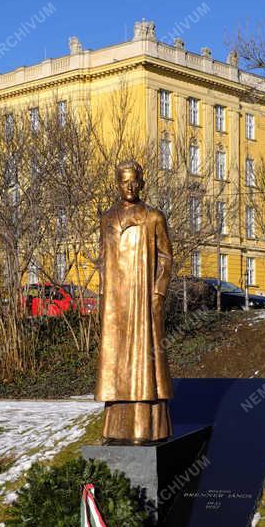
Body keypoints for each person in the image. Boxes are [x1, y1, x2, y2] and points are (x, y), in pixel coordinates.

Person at [95, 160, 174, 443]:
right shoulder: (107, 218)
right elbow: (103, 260)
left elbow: (166, 257)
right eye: (123, 181)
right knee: (115, 362)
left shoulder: (153, 217)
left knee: (144, 362)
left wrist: (158, 292)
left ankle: (145, 428)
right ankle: (116, 429)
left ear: (141, 183)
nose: (129, 186)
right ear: (117, 183)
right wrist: (104, 294)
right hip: (117, 301)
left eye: (133, 181)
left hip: (142, 296)